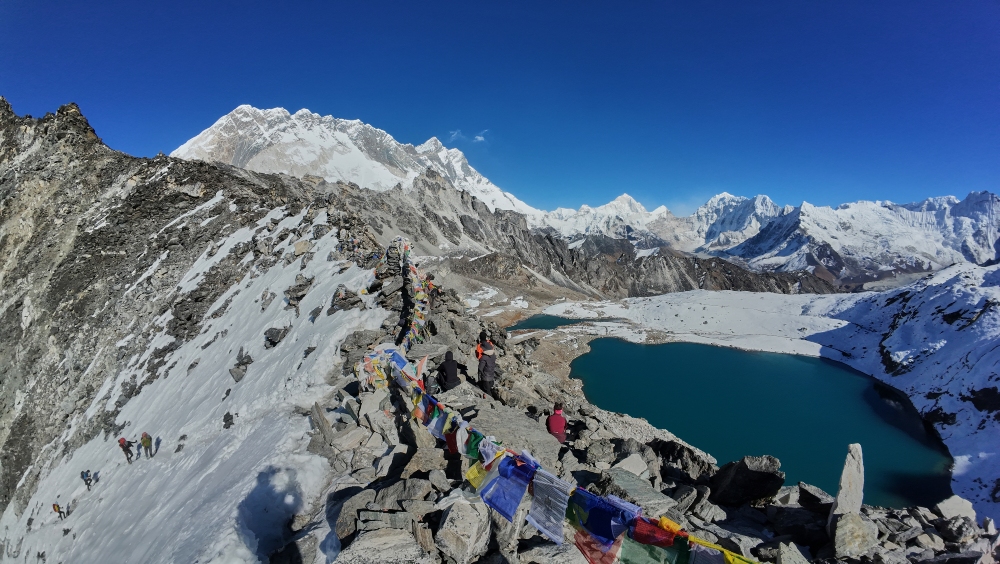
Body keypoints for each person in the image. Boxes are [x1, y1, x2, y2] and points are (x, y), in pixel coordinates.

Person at [475, 332, 496, 397]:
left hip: (485, 377)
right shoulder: (493, 354)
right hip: (491, 375)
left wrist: (479, 378)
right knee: (489, 388)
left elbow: (480, 368)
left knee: (487, 391)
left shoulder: (483, 355)